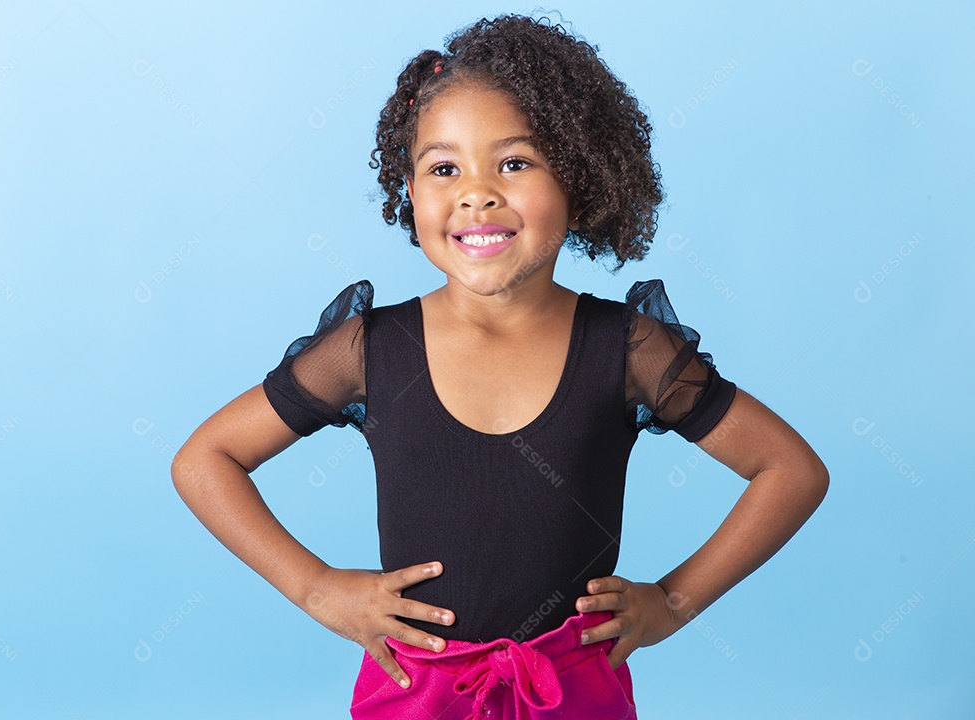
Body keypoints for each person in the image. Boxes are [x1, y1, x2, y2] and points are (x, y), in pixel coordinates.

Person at [172, 12, 829, 719]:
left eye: (514, 163)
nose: (477, 192)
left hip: (573, 693)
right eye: (444, 167)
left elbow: (791, 470)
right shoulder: (372, 349)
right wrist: (317, 587)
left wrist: (670, 602)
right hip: (415, 695)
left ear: (579, 178)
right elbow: (206, 458)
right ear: (411, 190)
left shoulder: (628, 348)